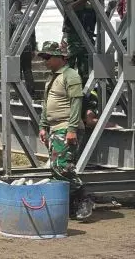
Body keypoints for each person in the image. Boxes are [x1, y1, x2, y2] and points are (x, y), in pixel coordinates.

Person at [37, 41, 93, 220]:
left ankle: (84, 198)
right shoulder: (52, 77)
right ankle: (70, 204)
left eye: (47, 57)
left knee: (63, 167)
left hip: (66, 127)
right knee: (55, 169)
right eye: (44, 57)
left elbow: (76, 103)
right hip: (55, 128)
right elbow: (46, 104)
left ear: (60, 57)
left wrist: (72, 129)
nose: (45, 61)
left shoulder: (70, 75)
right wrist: (43, 126)